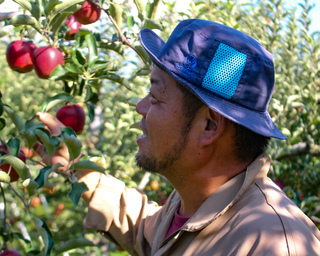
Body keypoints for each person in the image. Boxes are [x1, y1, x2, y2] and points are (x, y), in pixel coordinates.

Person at [36, 19, 320, 255]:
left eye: (156, 96)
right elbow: (143, 226)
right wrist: (72, 164)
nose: (141, 107)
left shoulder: (272, 244)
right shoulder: (192, 207)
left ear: (209, 127)